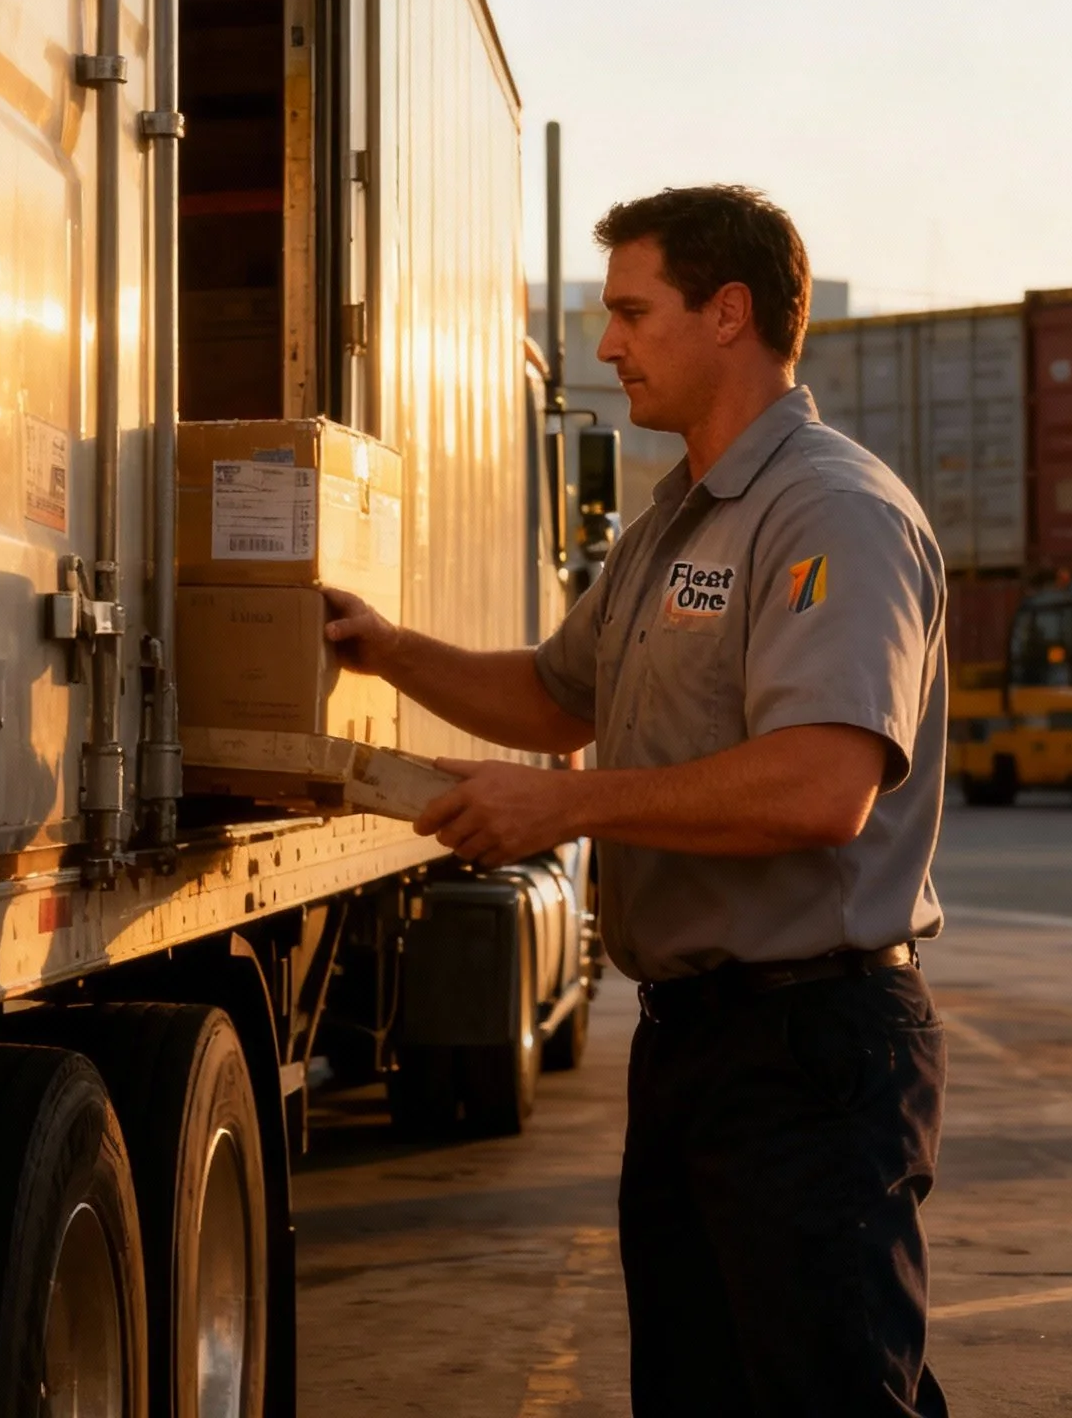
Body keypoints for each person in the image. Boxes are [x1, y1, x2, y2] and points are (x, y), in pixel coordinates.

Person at [323, 184, 950, 1417]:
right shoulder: (673, 524)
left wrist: (563, 810)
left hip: (811, 1048)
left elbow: (824, 786)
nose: (603, 346)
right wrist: (389, 650)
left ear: (730, 314)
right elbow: (558, 699)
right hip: (697, 1043)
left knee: (826, 1397)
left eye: (628, 311)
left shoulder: (832, 511)